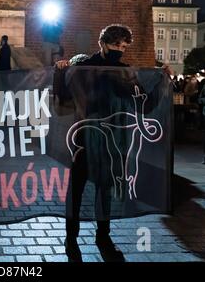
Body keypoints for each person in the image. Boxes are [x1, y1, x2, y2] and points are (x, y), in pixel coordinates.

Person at [56, 24, 172, 262]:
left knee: (106, 189)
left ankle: (103, 235)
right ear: (102, 43)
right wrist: (60, 72)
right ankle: (71, 236)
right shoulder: (84, 68)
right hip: (85, 138)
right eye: (115, 45)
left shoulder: (126, 72)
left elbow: (146, 105)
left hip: (113, 142)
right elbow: (64, 100)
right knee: (76, 189)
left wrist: (161, 81)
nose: (120, 49)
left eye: (123, 46)